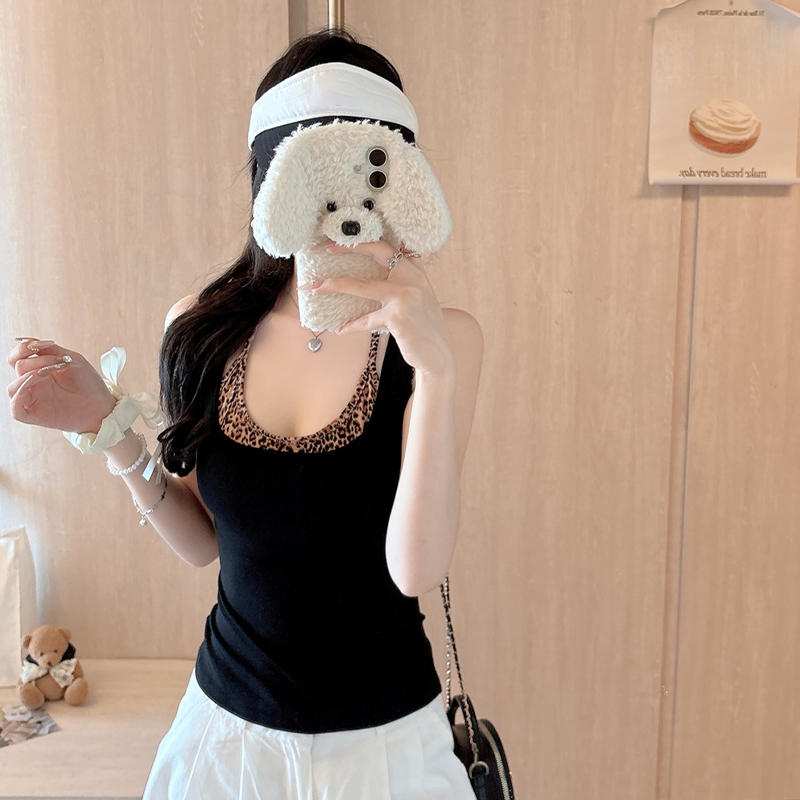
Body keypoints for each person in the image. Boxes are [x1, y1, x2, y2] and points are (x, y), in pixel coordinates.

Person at [6, 28, 483, 800]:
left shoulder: (444, 339)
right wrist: (111, 429)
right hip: (226, 740)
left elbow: (414, 570)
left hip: (387, 745)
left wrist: (433, 371)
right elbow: (205, 544)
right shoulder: (201, 328)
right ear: (271, 182)